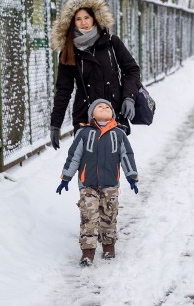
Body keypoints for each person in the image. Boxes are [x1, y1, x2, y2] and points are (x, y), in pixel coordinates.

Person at [49, 0, 141, 149]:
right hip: (85, 117)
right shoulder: (69, 51)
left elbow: (131, 70)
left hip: (113, 114)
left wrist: (129, 97)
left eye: (86, 17)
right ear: (72, 22)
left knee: (111, 167)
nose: (83, 23)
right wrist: (55, 124)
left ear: (94, 18)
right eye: (78, 19)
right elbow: (64, 90)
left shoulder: (112, 43)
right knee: (88, 169)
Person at [56, 99, 139, 266]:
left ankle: (109, 246)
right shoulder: (83, 133)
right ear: (91, 114)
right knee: (89, 217)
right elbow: (74, 156)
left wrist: (131, 176)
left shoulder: (119, 134)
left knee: (109, 215)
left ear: (112, 113)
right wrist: (66, 177)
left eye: (107, 107)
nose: (103, 108)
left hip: (110, 184)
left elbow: (126, 156)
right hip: (88, 184)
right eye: (99, 107)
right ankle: (88, 252)